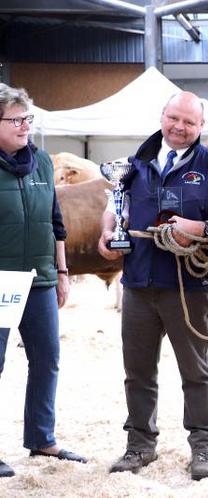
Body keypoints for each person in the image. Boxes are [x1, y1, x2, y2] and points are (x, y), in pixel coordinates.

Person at [97, 91, 208, 481]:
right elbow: (115, 210)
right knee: (137, 371)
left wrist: (198, 228)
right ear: (162, 116)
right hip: (139, 283)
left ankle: (204, 445)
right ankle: (140, 445)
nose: (179, 127)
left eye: (189, 122)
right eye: (173, 118)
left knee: (195, 371)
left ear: (201, 127)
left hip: (188, 286)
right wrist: (108, 234)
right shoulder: (134, 164)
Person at [0, 84, 87, 478]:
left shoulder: (42, 164)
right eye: (15, 119)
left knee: (47, 358)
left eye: (27, 119)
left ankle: (42, 437)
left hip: (40, 279)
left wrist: (62, 272)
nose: (24, 126)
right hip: (1, 281)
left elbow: (55, 222)